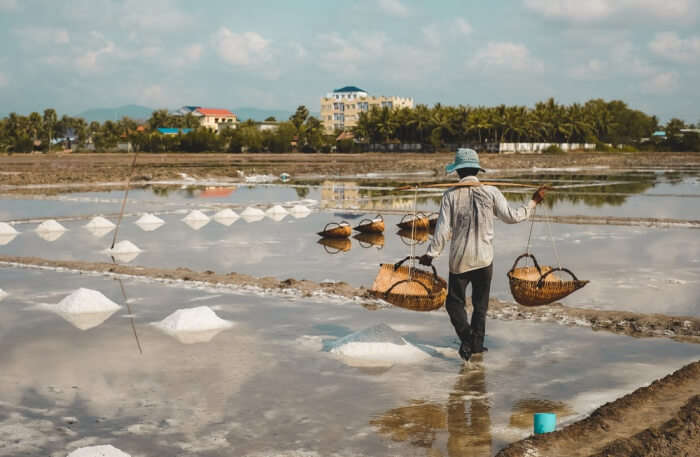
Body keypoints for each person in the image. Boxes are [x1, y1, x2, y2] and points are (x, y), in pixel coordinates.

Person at [419, 148, 547, 363]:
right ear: (476, 170)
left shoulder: (450, 195)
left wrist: (430, 255)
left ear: (458, 172)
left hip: (460, 260)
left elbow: (441, 231)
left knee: (454, 303)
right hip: (484, 259)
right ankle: (476, 346)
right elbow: (513, 217)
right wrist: (533, 201)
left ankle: (467, 339)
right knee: (480, 305)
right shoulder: (491, 191)